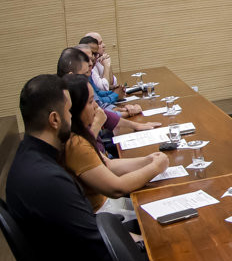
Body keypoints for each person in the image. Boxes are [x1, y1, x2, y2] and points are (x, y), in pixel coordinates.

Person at [4, 75, 117, 261]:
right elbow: (102, 249)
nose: (72, 117)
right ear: (54, 119)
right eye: (68, 112)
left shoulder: (30, 158)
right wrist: (146, 242)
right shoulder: (47, 180)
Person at [61, 74, 168, 209]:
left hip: (109, 205)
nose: (96, 107)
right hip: (103, 212)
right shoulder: (75, 144)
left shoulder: (79, 134)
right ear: (74, 108)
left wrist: (147, 160)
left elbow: (109, 165)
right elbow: (117, 188)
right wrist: (155, 168)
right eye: (90, 102)